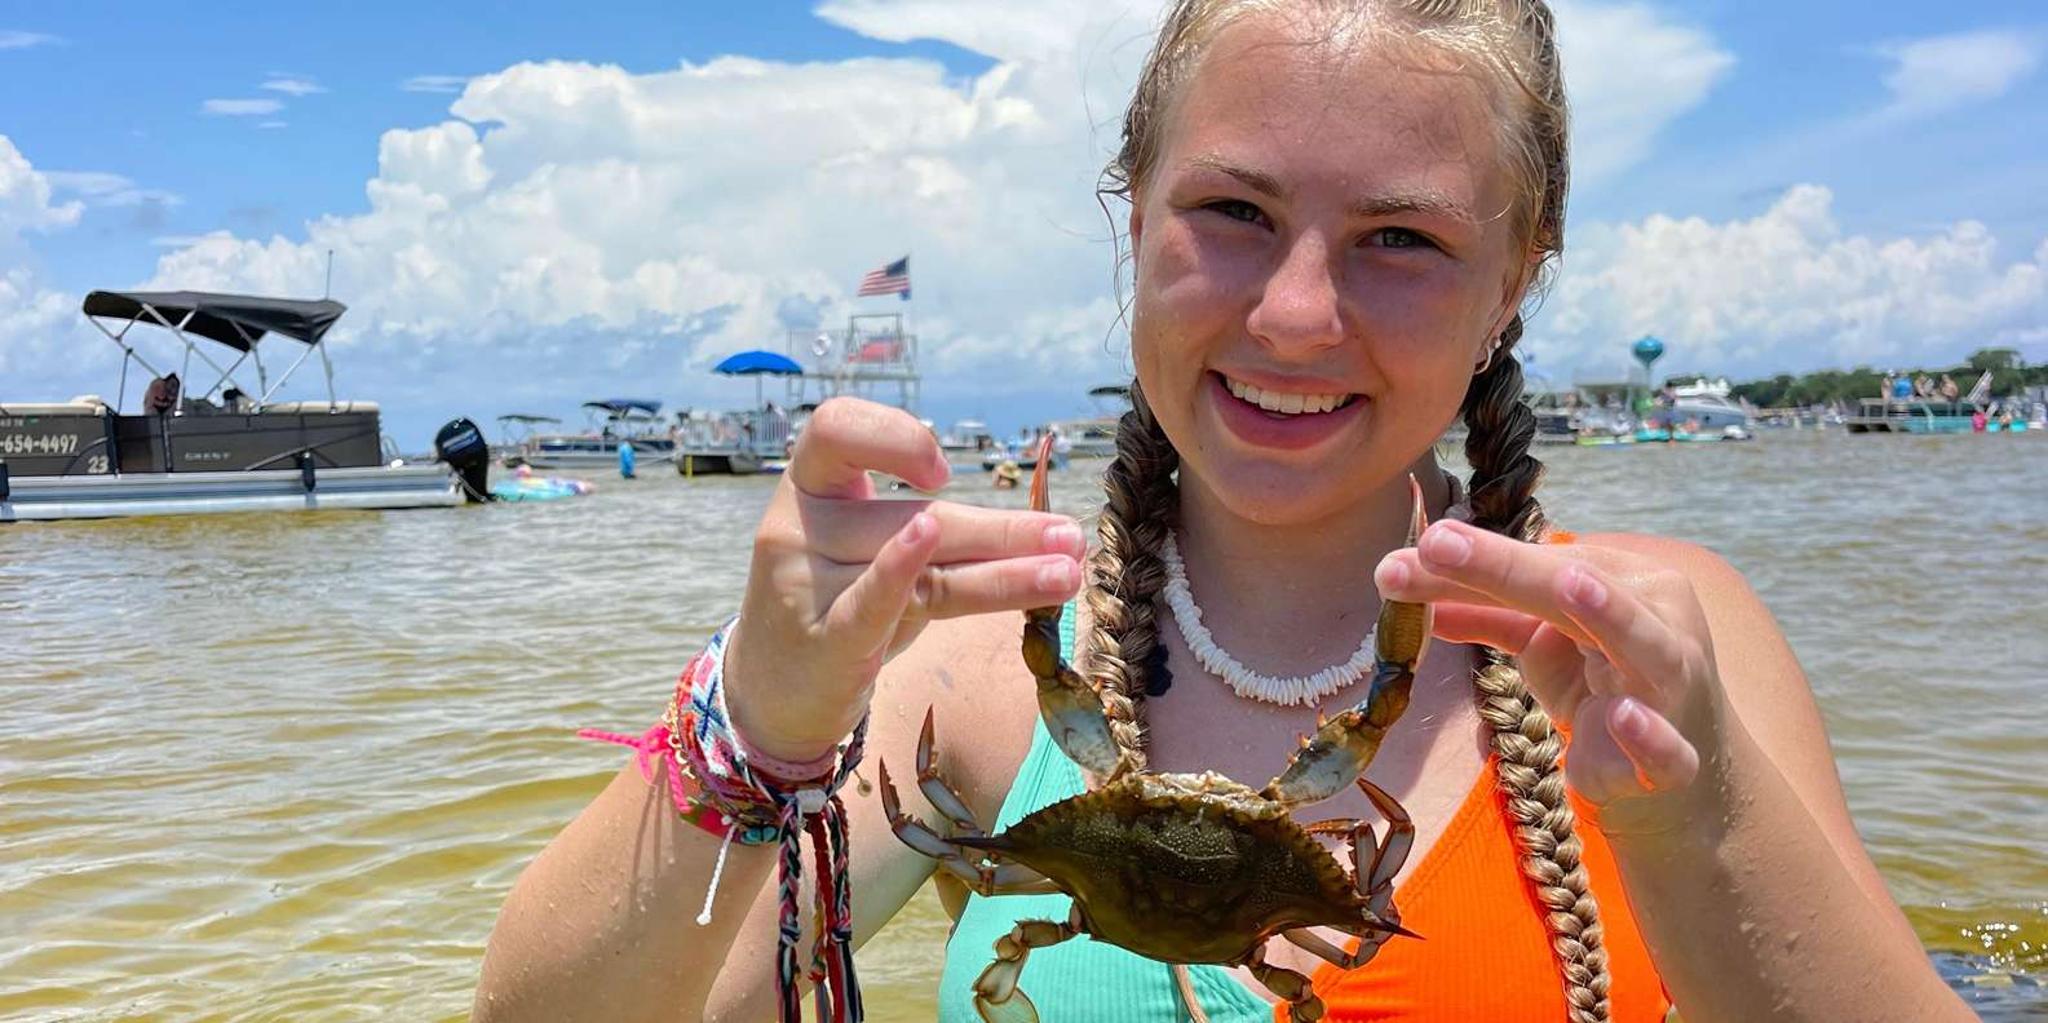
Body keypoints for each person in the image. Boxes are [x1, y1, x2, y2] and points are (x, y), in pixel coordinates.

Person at [476, 4, 1972, 1021]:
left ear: (1516, 276)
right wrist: (757, 722)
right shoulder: (965, 664)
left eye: (1402, 238)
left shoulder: (1655, 650)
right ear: (1135, 221)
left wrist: (1692, 814)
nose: (1298, 314)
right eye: (1235, 214)